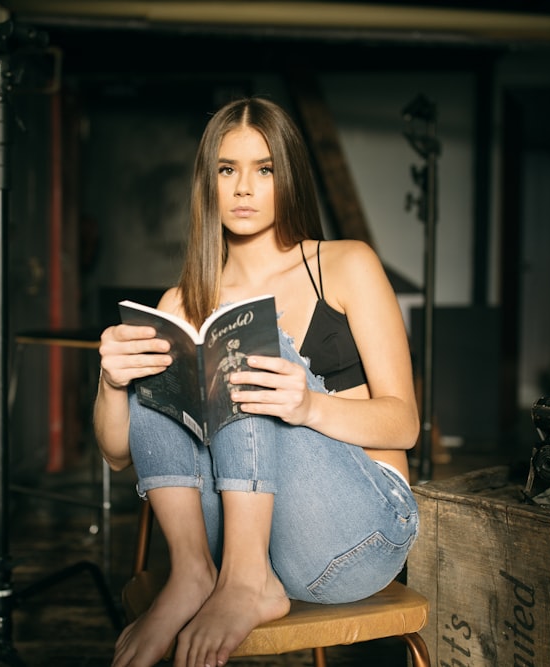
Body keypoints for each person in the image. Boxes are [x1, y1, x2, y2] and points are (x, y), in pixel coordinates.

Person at [94, 96, 420, 667]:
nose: (243, 188)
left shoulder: (345, 264)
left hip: (357, 531)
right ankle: (193, 573)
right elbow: (119, 453)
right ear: (208, 183)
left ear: (286, 177)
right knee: (170, 336)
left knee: (249, 338)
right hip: (236, 537)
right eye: (227, 169)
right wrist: (111, 381)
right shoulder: (185, 300)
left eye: (263, 169)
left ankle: (247, 581)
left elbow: (405, 423)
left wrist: (308, 404)